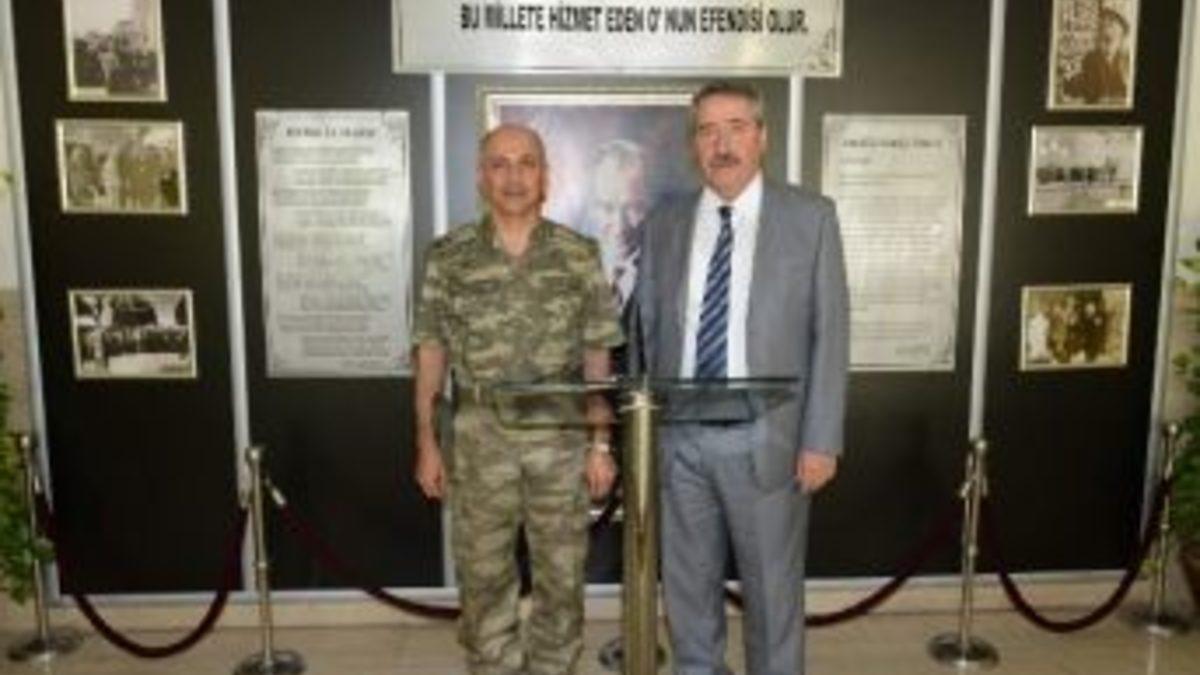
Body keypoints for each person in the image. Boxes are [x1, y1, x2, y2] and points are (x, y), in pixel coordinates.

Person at [631, 81, 849, 675]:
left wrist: (821, 439)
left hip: (767, 440)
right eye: (707, 130)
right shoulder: (666, 222)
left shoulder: (811, 218)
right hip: (679, 442)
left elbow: (831, 333)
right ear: (693, 144)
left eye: (735, 128)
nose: (721, 144)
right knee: (686, 590)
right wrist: (645, 435)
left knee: (772, 596)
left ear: (762, 137)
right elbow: (646, 327)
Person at [412, 124, 623, 675]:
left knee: (562, 570)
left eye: (526, 163)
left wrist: (601, 444)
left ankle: (554, 665)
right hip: (478, 435)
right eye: (499, 164)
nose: (513, 177)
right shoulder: (449, 256)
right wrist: (427, 442)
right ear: (481, 177)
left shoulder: (578, 254)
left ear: (545, 177)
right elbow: (430, 353)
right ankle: (494, 665)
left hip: (560, 435)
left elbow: (597, 356)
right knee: (483, 573)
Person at [580, 138, 649, 309]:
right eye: (607, 208)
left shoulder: (672, 278)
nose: (620, 228)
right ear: (590, 208)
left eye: (633, 208)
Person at [1060, 6, 1131, 105]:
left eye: (1111, 24)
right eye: (1103, 25)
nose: (1107, 29)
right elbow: (1091, 95)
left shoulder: (1127, 60)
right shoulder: (1090, 60)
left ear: (1122, 35)